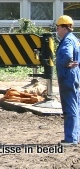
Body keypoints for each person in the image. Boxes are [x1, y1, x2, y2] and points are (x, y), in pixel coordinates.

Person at [55, 15, 80, 145]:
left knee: (70, 107)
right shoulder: (75, 39)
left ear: (64, 28)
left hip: (67, 77)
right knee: (76, 106)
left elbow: (67, 55)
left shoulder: (67, 41)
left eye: (58, 27)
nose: (57, 30)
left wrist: (66, 63)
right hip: (74, 76)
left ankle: (70, 139)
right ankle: (75, 136)